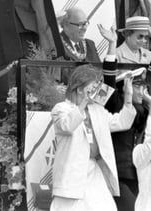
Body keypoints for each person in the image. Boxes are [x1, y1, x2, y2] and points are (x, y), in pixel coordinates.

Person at [49, 65, 136, 210]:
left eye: (98, 86)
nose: (97, 91)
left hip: (94, 170)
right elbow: (67, 126)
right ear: (80, 88)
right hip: (72, 172)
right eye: (93, 86)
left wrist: (128, 96)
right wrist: (83, 103)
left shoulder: (97, 110)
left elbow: (123, 122)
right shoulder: (61, 108)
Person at [99, 23, 151, 210]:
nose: (143, 91)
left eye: (143, 87)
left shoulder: (143, 105)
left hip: (138, 172)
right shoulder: (115, 103)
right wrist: (112, 45)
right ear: (125, 87)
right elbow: (109, 78)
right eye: (137, 86)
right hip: (118, 172)